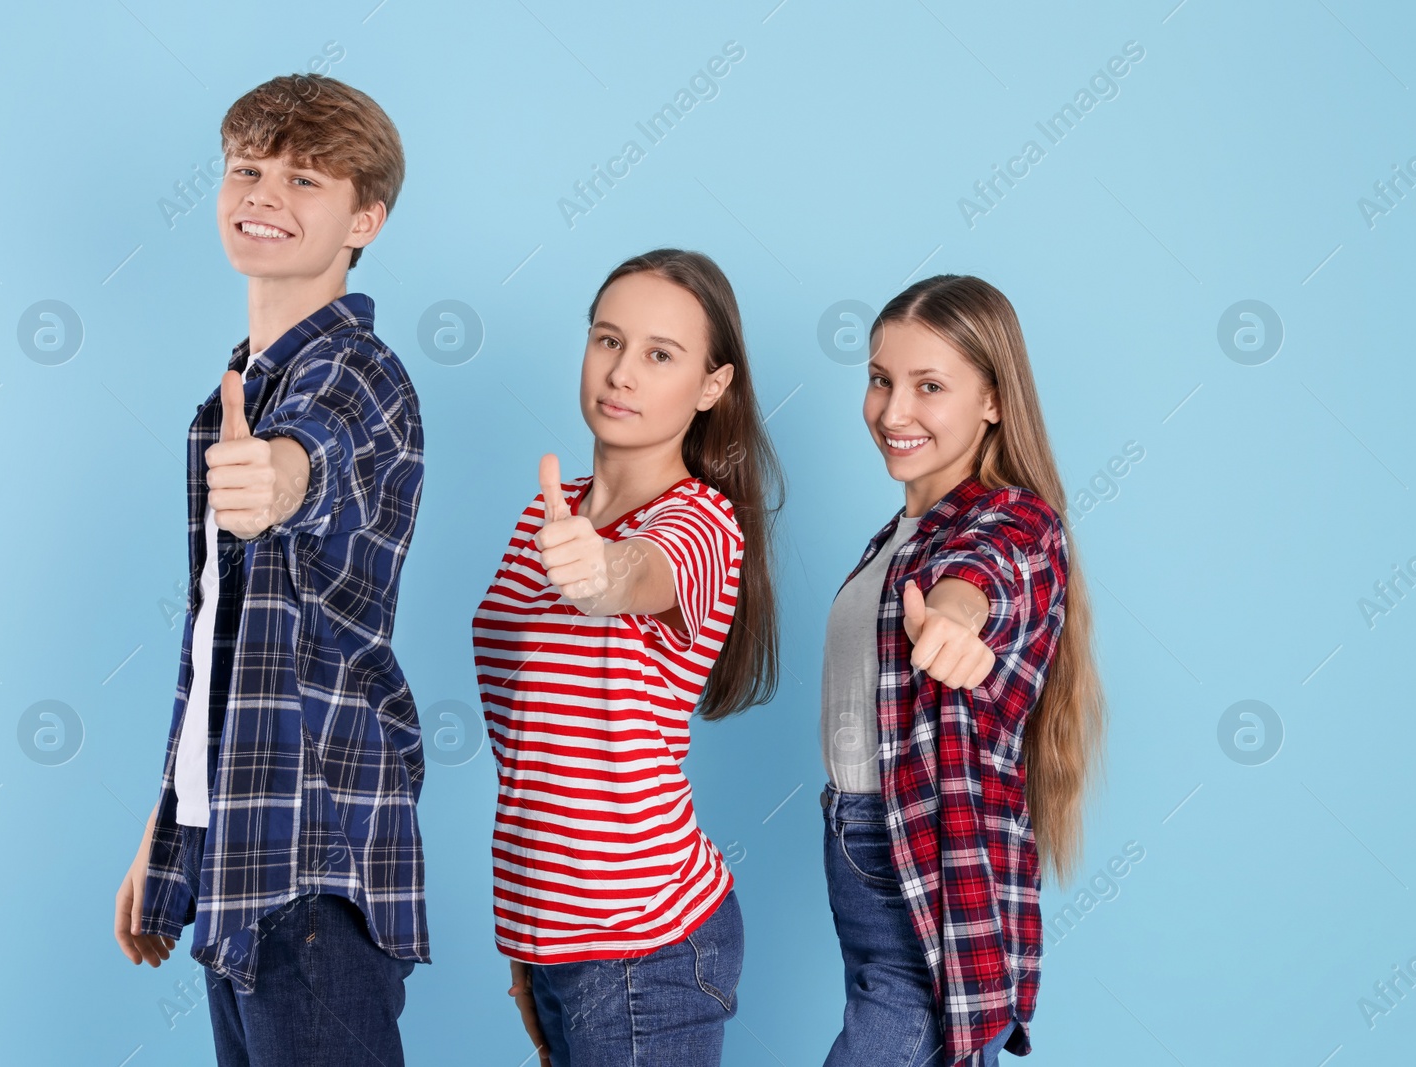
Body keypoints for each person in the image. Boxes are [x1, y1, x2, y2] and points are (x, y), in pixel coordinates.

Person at [111, 72, 428, 1067]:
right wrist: (168, 829)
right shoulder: (242, 382)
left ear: (362, 219)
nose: (263, 195)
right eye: (248, 170)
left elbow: (311, 458)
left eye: (304, 181)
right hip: (236, 849)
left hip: (313, 855)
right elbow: (221, 646)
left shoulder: (357, 372)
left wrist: (276, 478)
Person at [471, 249, 783, 1067]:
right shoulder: (546, 512)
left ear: (711, 387)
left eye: (659, 354)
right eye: (608, 340)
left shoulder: (704, 524)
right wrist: (530, 945)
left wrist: (600, 571)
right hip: (555, 941)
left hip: (649, 944)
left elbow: (640, 570)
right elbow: (534, 754)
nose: (622, 373)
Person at [819, 274, 1105, 1066]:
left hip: (920, 854)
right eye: (881, 380)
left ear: (992, 401)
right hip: (857, 836)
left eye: (929, 385)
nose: (893, 410)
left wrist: (954, 624)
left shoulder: (1015, 521)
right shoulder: (895, 537)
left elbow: (984, 574)